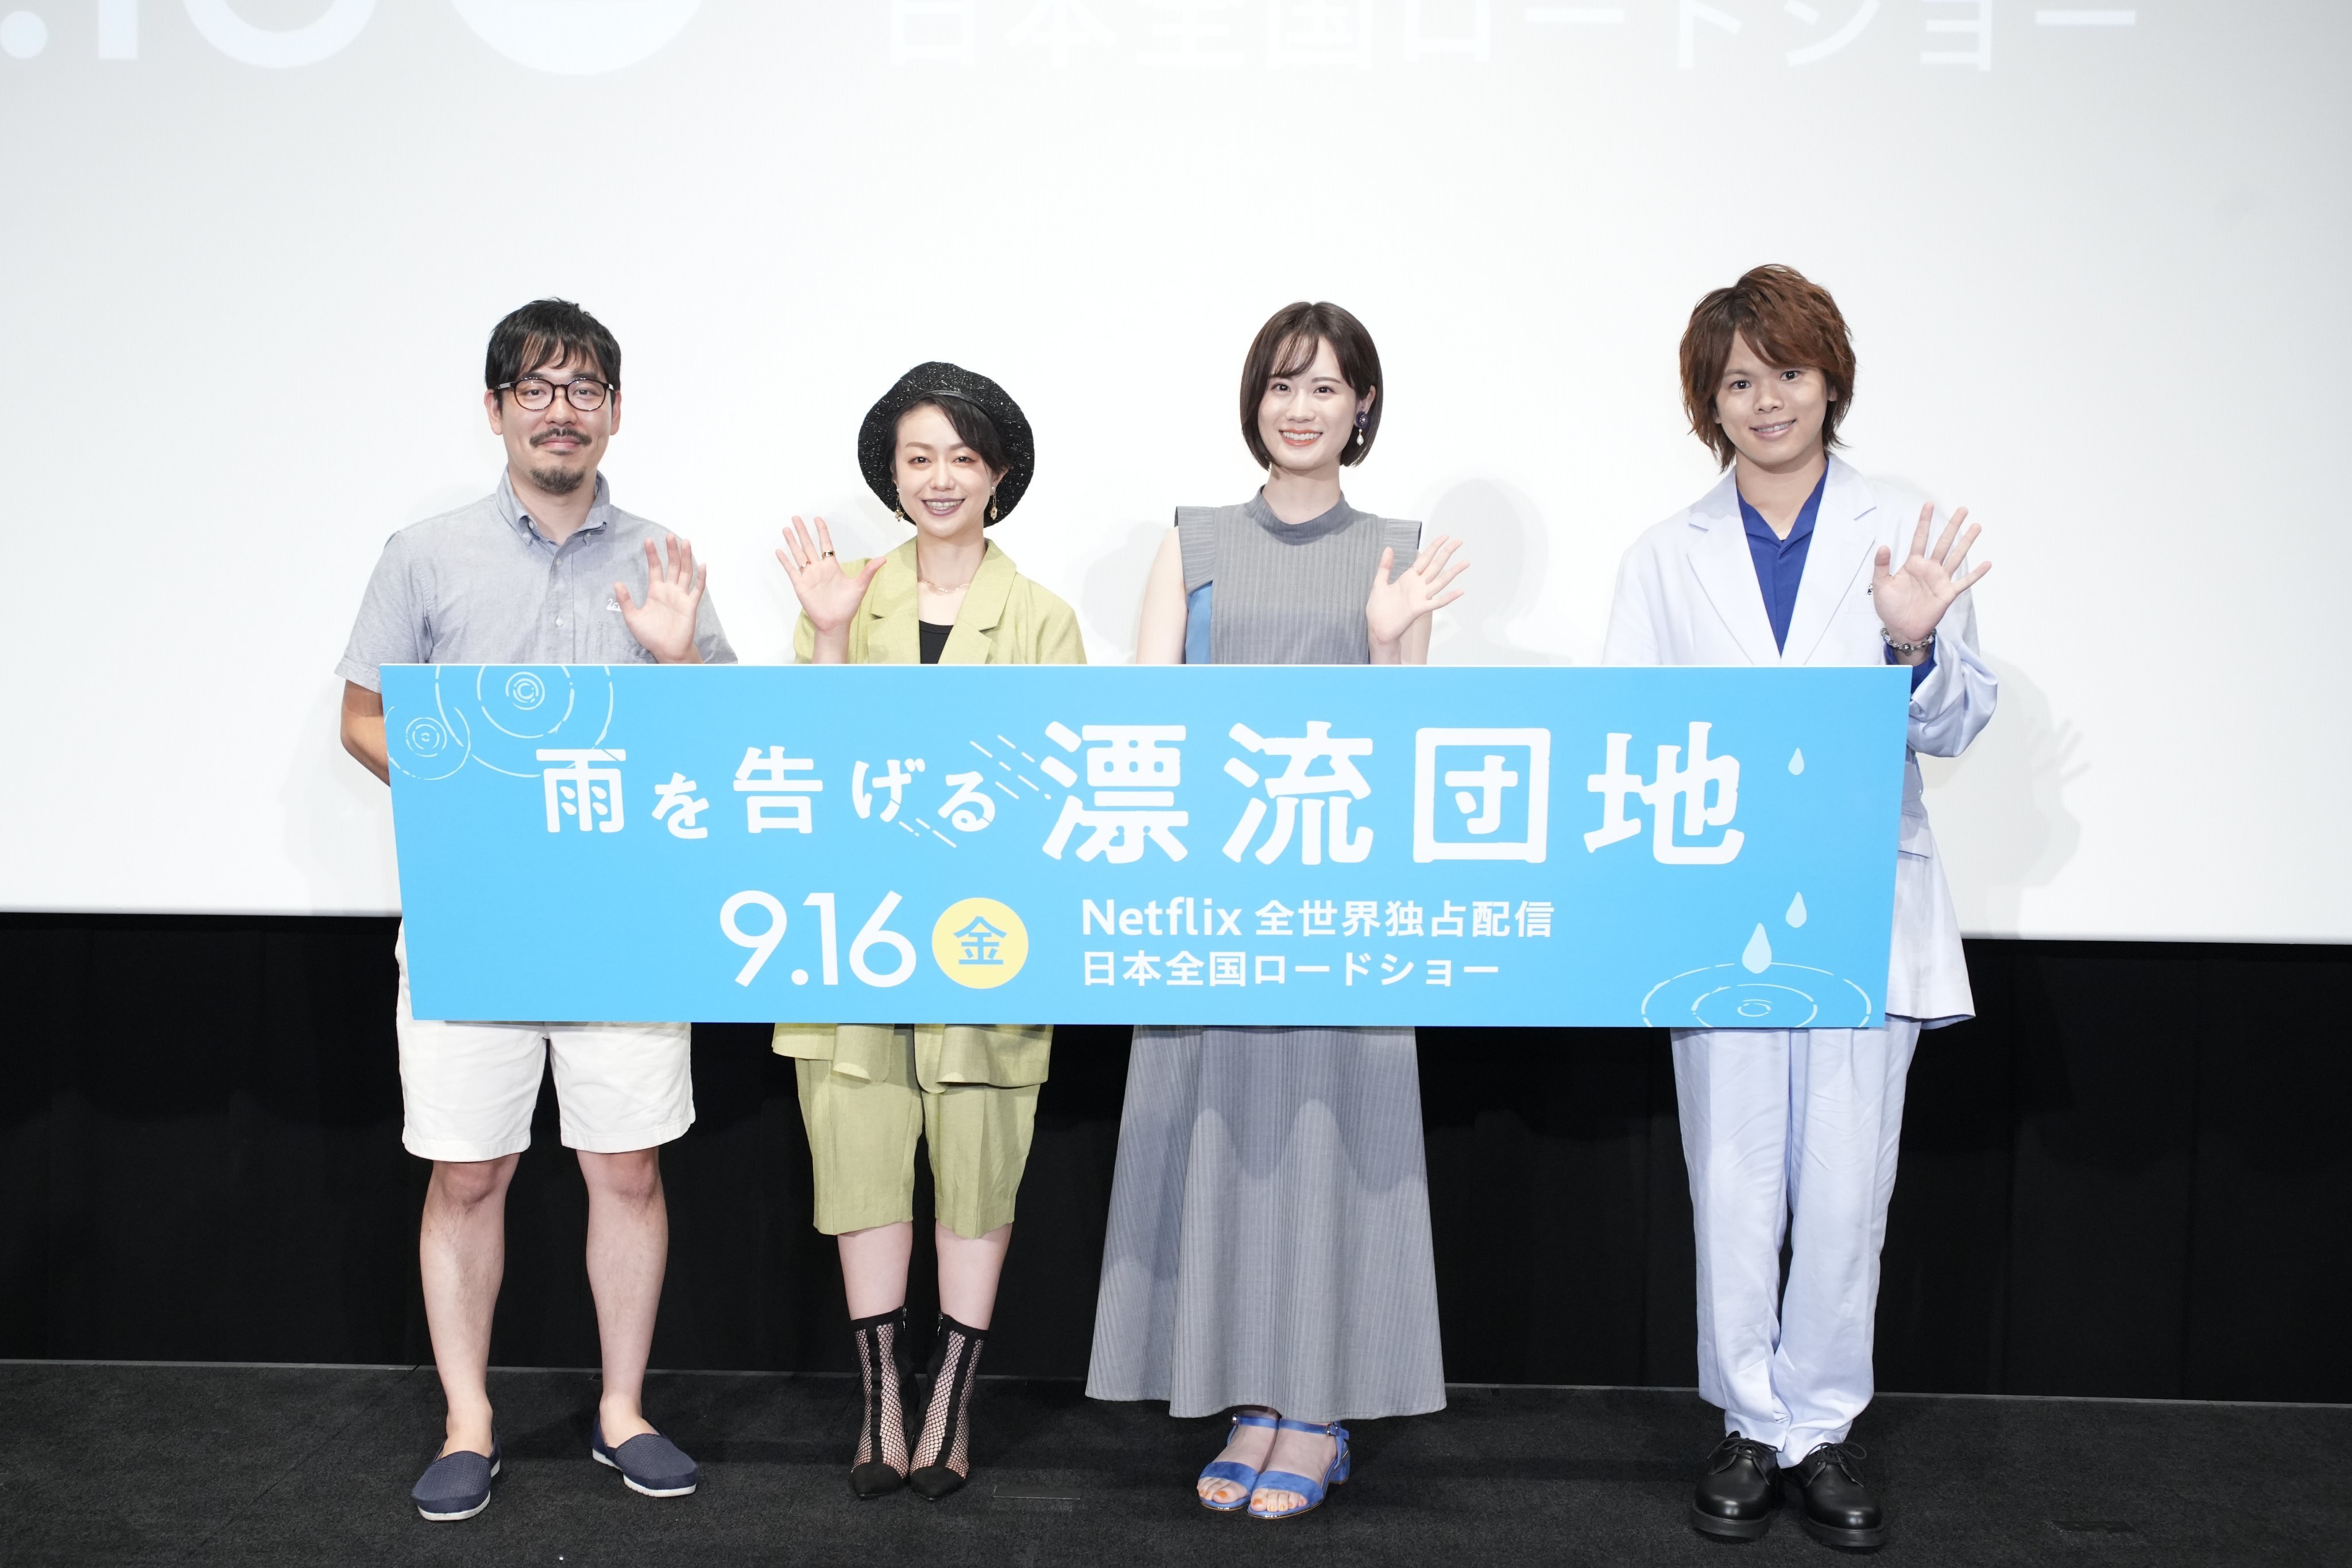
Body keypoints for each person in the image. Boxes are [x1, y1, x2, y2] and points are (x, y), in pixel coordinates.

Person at [1603, 265, 1996, 1550]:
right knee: (1730, 1180)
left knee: (1841, 1190)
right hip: (1716, 906)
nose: (1765, 399)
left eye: (1786, 371)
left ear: (1830, 379)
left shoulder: (1906, 531)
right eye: (1737, 381)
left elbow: (1955, 723)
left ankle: (1819, 1428)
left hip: (1862, 896)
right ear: (1706, 404)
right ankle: (1744, 1420)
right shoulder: (1664, 555)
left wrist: (1909, 645)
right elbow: (1626, 737)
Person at [336, 299, 733, 1522]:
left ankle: (623, 1412)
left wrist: (677, 658)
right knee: (469, 1174)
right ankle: (469, 1422)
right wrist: (472, 790)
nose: (562, 411)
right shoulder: (426, 553)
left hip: (625, 918)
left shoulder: (663, 558)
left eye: (585, 389)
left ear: (614, 411)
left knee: (627, 1166)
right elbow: (361, 718)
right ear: (497, 407)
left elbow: (719, 742)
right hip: (476, 912)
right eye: (537, 388)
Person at [1088, 302, 1469, 1521]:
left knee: (1327, 1144)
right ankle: (1249, 1398)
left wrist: (1386, 644)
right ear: (1253, 400)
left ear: (1363, 407)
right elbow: (1145, 718)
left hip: (1342, 910)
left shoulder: (1397, 551)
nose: (1301, 408)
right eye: (1282, 385)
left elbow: (1406, 757)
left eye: (1327, 387)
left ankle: (1317, 1413)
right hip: (1210, 902)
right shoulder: (1192, 538)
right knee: (1221, 1142)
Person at [769, 362, 1085, 1501]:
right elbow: (801, 776)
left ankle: (949, 1402)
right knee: (860, 1162)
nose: (939, 478)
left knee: (978, 1171)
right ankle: (881, 1404)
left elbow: (1061, 789)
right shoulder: (844, 597)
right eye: (917, 457)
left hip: (990, 942)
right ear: (890, 475)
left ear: (999, 473)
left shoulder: (1042, 618)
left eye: (962, 456)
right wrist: (830, 636)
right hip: (857, 935)